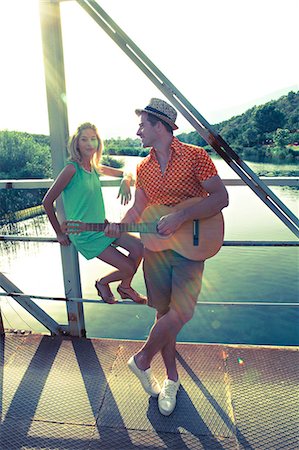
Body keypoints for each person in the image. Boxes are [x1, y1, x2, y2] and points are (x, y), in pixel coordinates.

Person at [105, 98, 229, 415]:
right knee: (163, 314)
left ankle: (143, 358)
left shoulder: (195, 157)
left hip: (191, 247)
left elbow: (220, 197)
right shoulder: (143, 168)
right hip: (156, 251)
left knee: (182, 312)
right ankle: (171, 380)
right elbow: (138, 208)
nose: (137, 132)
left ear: (160, 126)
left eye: (142, 125)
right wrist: (119, 225)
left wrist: (181, 216)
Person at [43, 122, 146, 304]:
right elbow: (47, 201)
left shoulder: (96, 167)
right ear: (77, 144)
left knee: (141, 248)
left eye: (93, 139)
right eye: (84, 139)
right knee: (129, 268)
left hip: (102, 226)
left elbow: (127, 172)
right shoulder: (71, 169)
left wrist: (126, 181)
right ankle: (103, 283)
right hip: (84, 234)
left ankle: (125, 287)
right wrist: (59, 233)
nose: (89, 144)